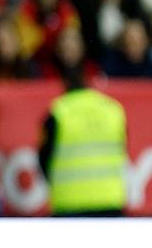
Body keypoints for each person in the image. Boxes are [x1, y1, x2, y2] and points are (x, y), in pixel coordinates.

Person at [38, 33, 127, 217]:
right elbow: (122, 151)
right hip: (110, 203)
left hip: (69, 205)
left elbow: (43, 158)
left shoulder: (58, 112)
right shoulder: (114, 110)